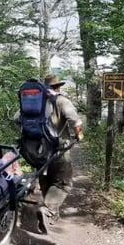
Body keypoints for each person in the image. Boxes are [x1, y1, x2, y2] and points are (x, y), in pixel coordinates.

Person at [35, 74, 83, 234]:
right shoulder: (62, 101)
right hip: (58, 148)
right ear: (58, 87)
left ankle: (51, 213)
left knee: (46, 179)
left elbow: (16, 118)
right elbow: (75, 121)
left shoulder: (36, 101)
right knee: (63, 182)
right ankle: (47, 210)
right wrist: (79, 134)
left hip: (37, 149)